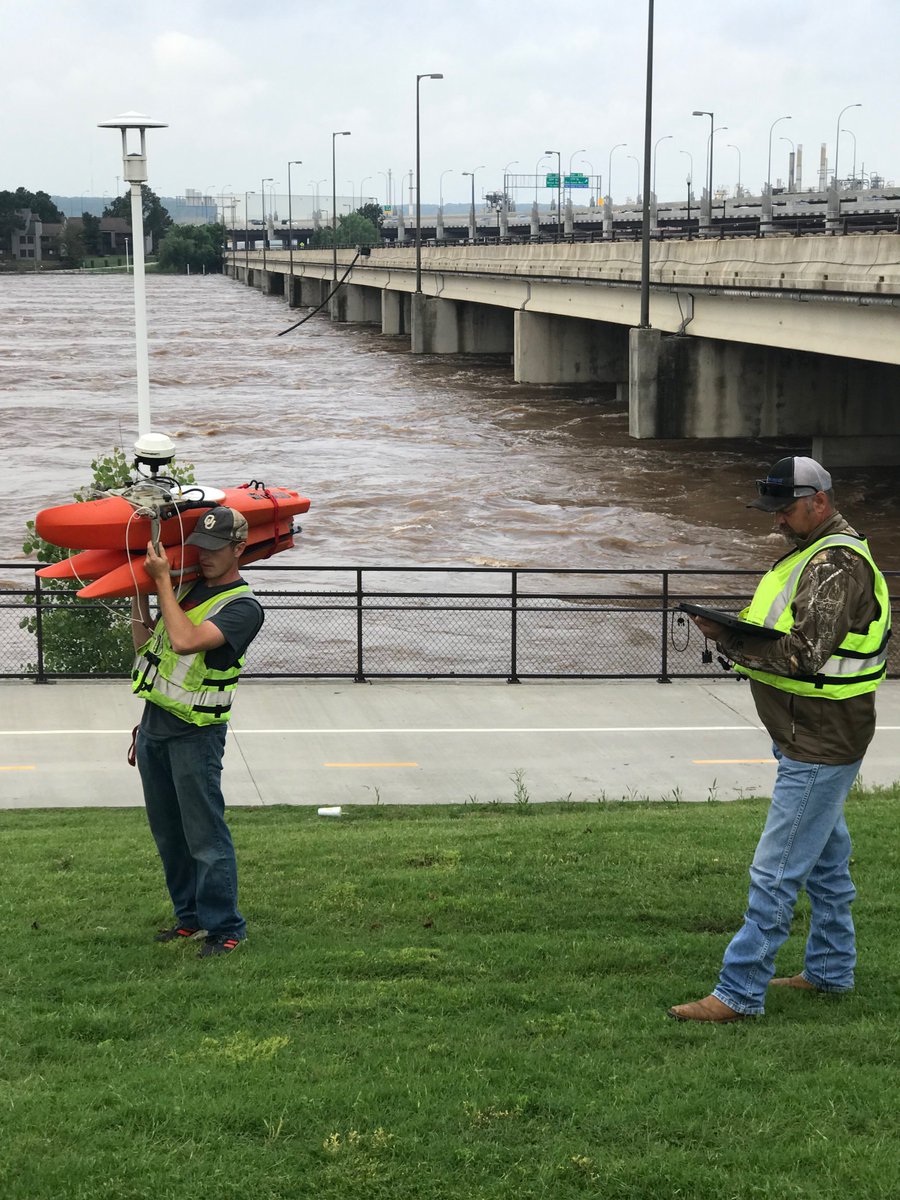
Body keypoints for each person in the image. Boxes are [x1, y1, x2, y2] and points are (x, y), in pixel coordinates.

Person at [669, 456, 890, 1022]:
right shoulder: (812, 552)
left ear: (820, 501)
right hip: (808, 731)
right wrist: (730, 627)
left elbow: (804, 654)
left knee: (776, 870)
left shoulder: (835, 564)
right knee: (826, 867)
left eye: (785, 509)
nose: (777, 520)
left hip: (819, 739)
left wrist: (729, 640)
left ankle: (739, 993)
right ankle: (831, 971)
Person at [130, 507, 264, 958]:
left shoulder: (243, 608)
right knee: (169, 834)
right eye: (199, 547)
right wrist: (138, 591)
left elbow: (185, 641)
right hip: (154, 727)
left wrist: (162, 584)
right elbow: (147, 645)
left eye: (215, 549)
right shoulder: (186, 589)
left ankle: (226, 927)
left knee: (205, 836)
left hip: (196, 735)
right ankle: (188, 919)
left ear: (239, 549)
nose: (204, 556)